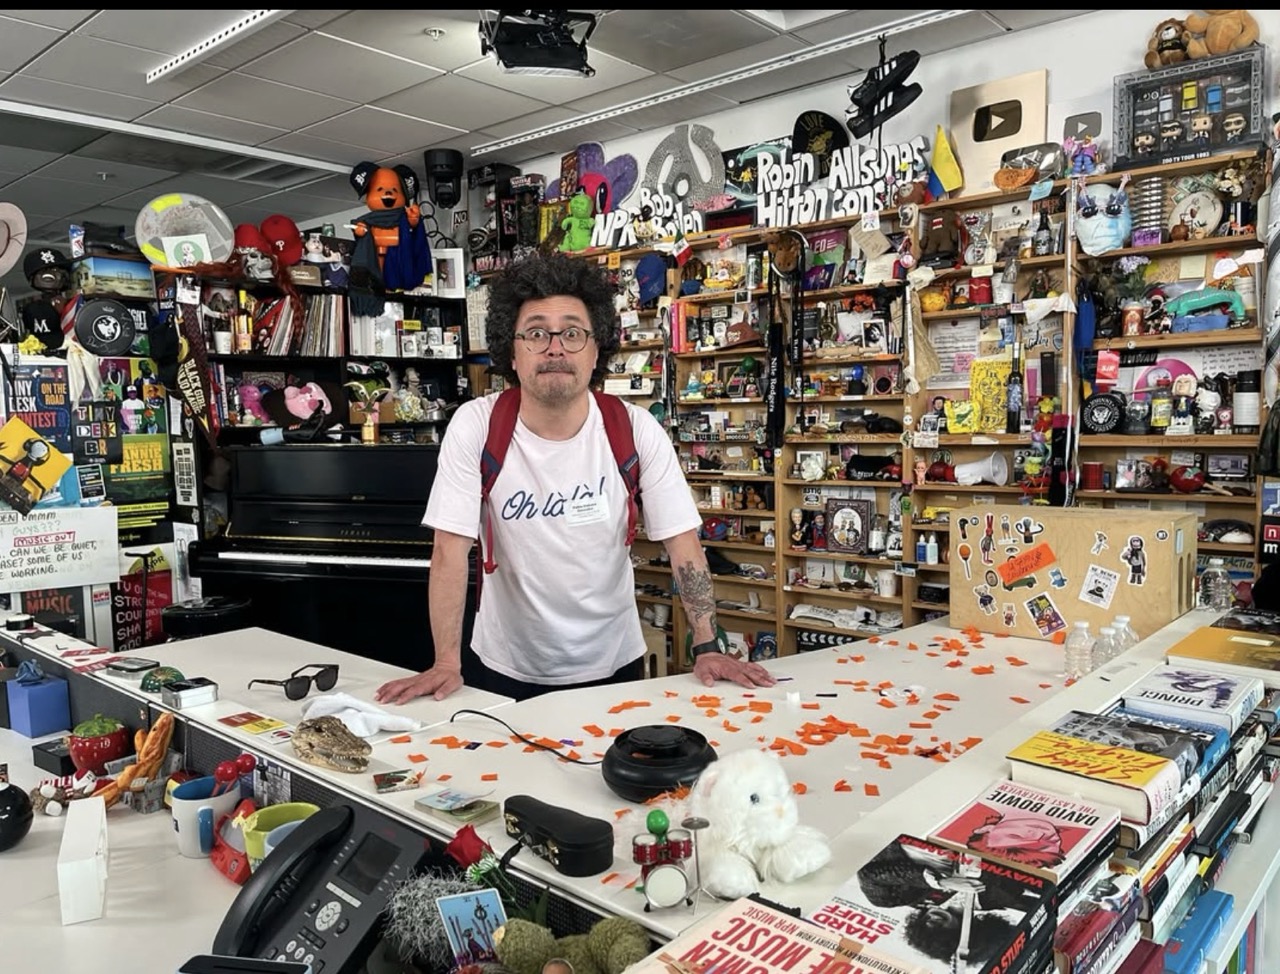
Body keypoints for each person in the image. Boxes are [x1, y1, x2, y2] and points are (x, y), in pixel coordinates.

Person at [376, 251, 774, 704]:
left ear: (596, 348)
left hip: (613, 664)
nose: (555, 348)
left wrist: (706, 645)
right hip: (504, 665)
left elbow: (683, 544)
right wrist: (446, 662)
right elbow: (449, 550)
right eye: (536, 333)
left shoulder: (635, 429)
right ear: (511, 350)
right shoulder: (477, 426)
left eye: (572, 333)